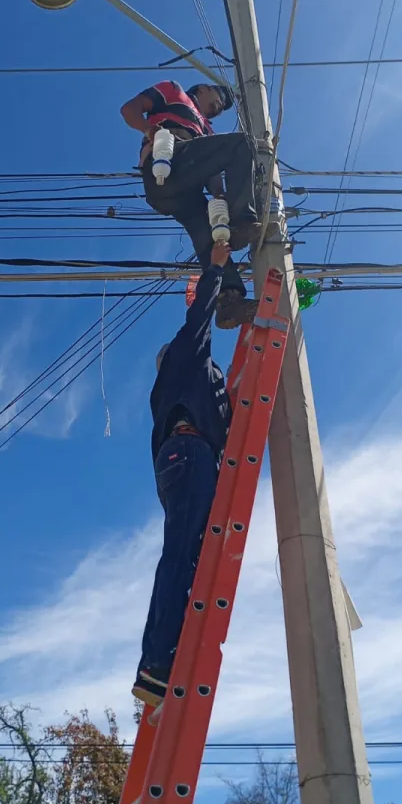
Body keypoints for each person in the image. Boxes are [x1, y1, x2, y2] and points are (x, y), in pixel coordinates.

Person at [133, 240, 234, 708]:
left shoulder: (170, 393)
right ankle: (156, 662)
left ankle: (164, 655)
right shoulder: (185, 360)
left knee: (184, 560)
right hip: (191, 458)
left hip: (179, 464)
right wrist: (213, 272)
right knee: (177, 560)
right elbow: (198, 326)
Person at [121, 79, 260, 329]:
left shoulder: (207, 130)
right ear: (203, 88)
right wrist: (148, 130)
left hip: (180, 190)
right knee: (242, 144)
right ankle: (241, 223)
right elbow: (129, 109)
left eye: (224, 106)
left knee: (208, 236)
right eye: (220, 98)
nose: (221, 105)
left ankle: (229, 300)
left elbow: (212, 175)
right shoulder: (174, 91)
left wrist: (221, 200)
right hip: (166, 161)